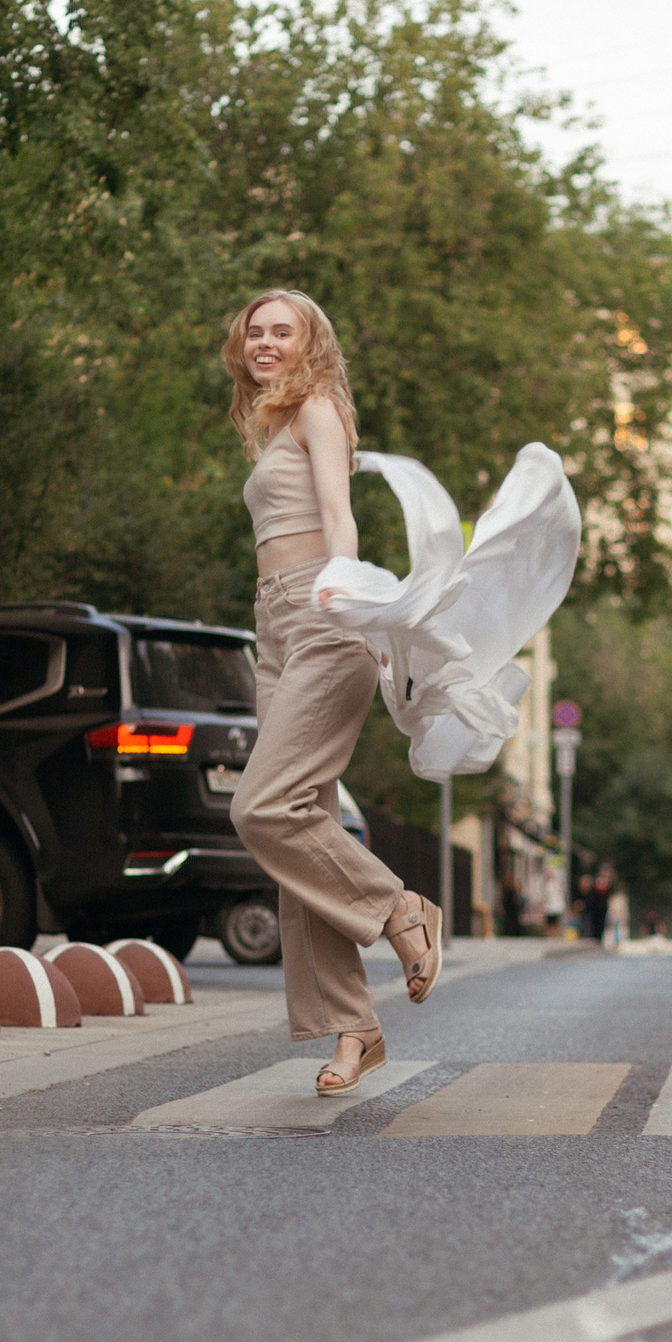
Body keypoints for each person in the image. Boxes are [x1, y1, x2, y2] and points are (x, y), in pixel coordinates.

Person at [221, 289, 441, 1097]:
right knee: (298, 828)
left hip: (319, 612)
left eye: (284, 331)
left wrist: (339, 586)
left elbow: (338, 516)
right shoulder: (267, 423)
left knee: (261, 809)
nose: (266, 342)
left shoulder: (318, 411)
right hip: (273, 625)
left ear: (311, 343)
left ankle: (399, 909)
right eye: (257, 332)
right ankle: (356, 1030)